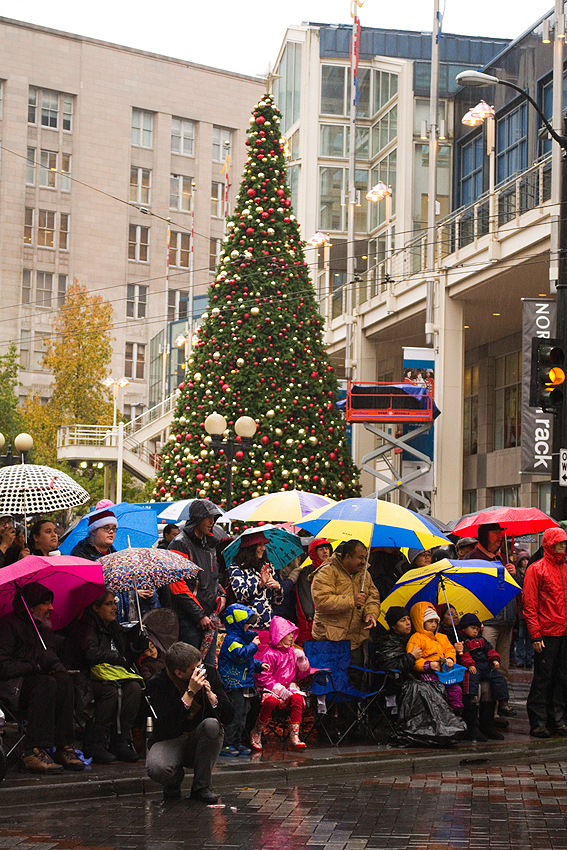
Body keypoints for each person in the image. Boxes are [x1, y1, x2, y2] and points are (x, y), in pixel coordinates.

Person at [0, 582, 84, 773]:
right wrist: (36, 665)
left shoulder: (42, 628)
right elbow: (3, 665)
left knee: (62, 680)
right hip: (13, 687)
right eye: (46, 603)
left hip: (38, 684)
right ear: (31, 606)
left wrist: (59, 668)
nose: (51, 608)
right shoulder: (8, 625)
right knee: (45, 683)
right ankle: (33, 750)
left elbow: (50, 658)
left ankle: (64, 746)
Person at [146, 641, 233, 803]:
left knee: (212, 725)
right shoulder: (158, 683)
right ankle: (173, 781)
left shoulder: (210, 674)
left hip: (198, 739)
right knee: (157, 767)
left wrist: (213, 698)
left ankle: (201, 787)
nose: (199, 672)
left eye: (200, 666)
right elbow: (166, 724)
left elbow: (229, 717)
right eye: (194, 669)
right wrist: (190, 693)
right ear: (179, 673)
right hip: (169, 739)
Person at [66, 591, 143, 763]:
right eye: (108, 604)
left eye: (114, 603)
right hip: (84, 677)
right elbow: (89, 652)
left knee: (134, 688)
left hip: (111, 675)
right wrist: (114, 657)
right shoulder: (85, 626)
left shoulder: (114, 627)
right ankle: (94, 742)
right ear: (96, 607)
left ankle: (120, 741)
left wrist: (137, 644)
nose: (115, 608)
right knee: (111, 692)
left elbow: (126, 657)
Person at [463, 523, 517, 719]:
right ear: (484, 536)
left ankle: (499, 705)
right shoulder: (473, 558)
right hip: (487, 621)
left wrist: (514, 574)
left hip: (506, 619)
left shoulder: (502, 558)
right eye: (495, 533)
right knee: (484, 665)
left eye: (501, 533)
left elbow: (512, 589)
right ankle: (486, 713)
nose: (499, 537)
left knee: (501, 665)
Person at [168, 499, 226, 665]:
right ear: (198, 517)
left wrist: (220, 593)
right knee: (190, 667)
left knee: (208, 667)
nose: (212, 522)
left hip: (208, 617)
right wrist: (199, 615)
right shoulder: (180, 543)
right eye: (208, 517)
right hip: (190, 620)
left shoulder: (209, 544)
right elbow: (177, 585)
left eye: (214, 518)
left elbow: (211, 577)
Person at [523, 526, 567, 738]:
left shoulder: (565, 568)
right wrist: (535, 634)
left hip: (563, 631)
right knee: (543, 677)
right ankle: (538, 720)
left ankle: (556, 718)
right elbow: (529, 604)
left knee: (561, 676)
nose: (563, 547)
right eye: (560, 543)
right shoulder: (537, 569)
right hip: (547, 631)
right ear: (550, 544)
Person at [311, 539, 380, 669]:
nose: (364, 562)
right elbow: (322, 600)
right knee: (330, 682)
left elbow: (373, 597)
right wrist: (351, 600)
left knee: (354, 679)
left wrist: (371, 613)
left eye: (365, 558)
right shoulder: (327, 572)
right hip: (330, 640)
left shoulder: (365, 575)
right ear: (347, 556)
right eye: (360, 558)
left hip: (355, 641)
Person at [251, 616, 314, 750]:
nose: (292, 637)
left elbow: (302, 675)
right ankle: (257, 731)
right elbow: (263, 677)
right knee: (270, 701)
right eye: (288, 634)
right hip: (270, 689)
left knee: (298, 698)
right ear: (280, 635)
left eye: (292, 633)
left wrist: (302, 661)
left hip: (289, 686)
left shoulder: (293, 652)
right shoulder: (270, 654)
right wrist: (278, 689)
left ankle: (294, 735)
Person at [217, 603, 266, 756]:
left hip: (243, 682)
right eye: (246, 624)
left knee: (242, 716)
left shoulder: (242, 639)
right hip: (233, 684)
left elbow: (248, 660)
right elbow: (240, 655)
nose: (248, 628)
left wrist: (259, 665)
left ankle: (237, 743)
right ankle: (227, 744)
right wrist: (253, 646)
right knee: (234, 715)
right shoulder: (231, 640)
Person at [458, 612, 509, 741]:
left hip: (484, 667)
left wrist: (494, 659)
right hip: (470, 669)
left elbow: (490, 650)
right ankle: (472, 727)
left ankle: (488, 724)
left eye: (477, 628)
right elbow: (464, 654)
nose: (475, 631)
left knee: (494, 683)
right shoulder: (459, 639)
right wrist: (468, 662)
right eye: (472, 629)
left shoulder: (482, 640)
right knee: (473, 689)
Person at [406, 602, 462, 712]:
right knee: (434, 690)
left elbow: (449, 650)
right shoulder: (416, 638)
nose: (433, 625)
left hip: (444, 671)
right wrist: (429, 665)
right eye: (430, 621)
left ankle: (455, 709)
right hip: (427, 673)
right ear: (421, 622)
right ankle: (438, 712)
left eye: (436, 622)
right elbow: (414, 660)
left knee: (455, 688)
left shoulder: (442, 637)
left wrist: (450, 659)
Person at [228, 531, 283, 630]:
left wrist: (277, 588)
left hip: (267, 625)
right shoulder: (237, 568)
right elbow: (241, 595)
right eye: (259, 545)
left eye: (264, 545)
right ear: (250, 547)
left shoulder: (268, 566)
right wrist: (260, 584)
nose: (263, 548)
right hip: (247, 626)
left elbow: (277, 602)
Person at [295, 538, 332, 644]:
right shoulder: (307, 572)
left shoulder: (334, 570)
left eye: (327, 549)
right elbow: (304, 594)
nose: (325, 551)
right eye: (321, 549)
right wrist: (309, 613)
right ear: (313, 552)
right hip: (312, 618)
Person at [373, 606, 422, 677]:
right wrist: (412, 657)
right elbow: (390, 667)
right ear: (393, 626)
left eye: (408, 619)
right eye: (403, 620)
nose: (408, 623)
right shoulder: (387, 642)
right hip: (400, 681)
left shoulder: (416, 636)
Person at [514, 551, 534, 669]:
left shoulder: (530, 572)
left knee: (529, 636)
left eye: (527, 560)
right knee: (520, 637)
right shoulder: (518, 575)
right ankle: (520, 659)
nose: (525, 562)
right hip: (520, 611)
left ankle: (528, 658)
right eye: (523, 560)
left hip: (528, 610)